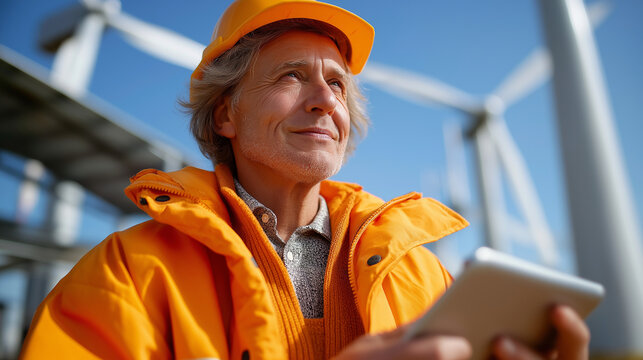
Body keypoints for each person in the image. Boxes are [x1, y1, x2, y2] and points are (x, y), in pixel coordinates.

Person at [21, 0, 591, 358]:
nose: (324, 101)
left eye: (338, 85)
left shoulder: (425, 276)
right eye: (292, 76)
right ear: (226, 115)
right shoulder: (127, 276)